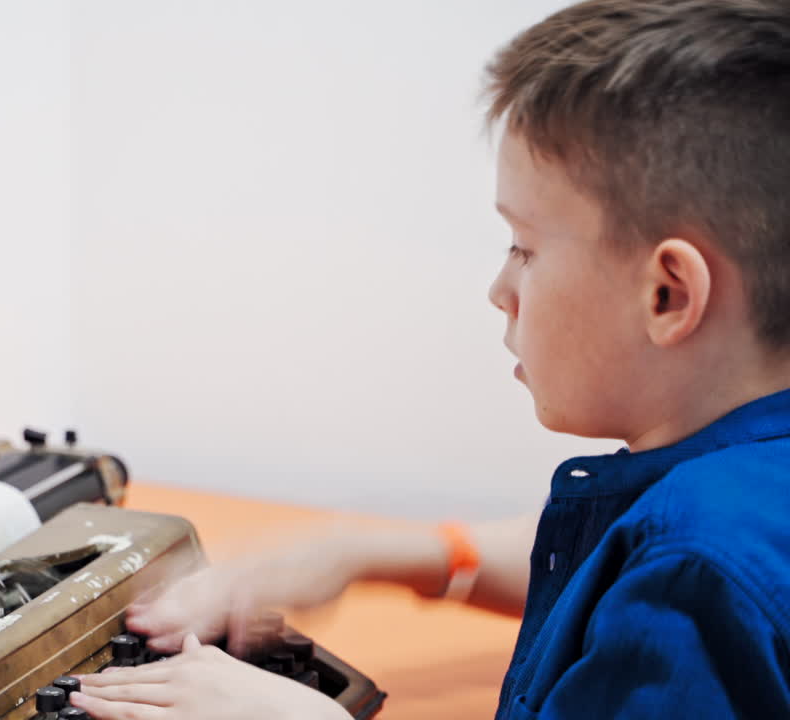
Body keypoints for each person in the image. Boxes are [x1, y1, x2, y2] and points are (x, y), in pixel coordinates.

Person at [66, 1, 790, 718]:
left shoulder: (693, 574)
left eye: (524, 247)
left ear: (667, 295)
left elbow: (675, 559)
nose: (499, 290)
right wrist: (369, 551)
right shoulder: (739, 495)